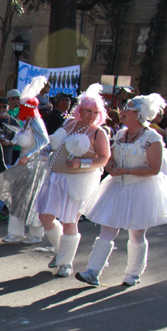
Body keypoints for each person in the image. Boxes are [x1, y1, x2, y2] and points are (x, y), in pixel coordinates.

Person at [77, 94, 167, 287]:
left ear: (138, 114)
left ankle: (133, 274)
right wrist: (111, 164)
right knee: (107, 228)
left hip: (140, 189)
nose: (123, 112)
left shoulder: (152, 138)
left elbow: (154, 168)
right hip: (118, 187)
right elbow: (112, 157)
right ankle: (92, 271)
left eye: (127, 109)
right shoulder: (121, 134)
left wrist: (127, 171)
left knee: (136, 233)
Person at [34, 85, 110, 277]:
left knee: (70, 221)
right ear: (80, 110)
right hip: (55, 178)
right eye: (88, 111)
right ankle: (61, 251)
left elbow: (104, 158)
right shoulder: (68, 123)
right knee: (45, 217)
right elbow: (56, 144)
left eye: (95, 112)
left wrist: (80, 163)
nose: (91, 115)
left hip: (77, 182)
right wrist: (46, 150)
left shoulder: (98, 132)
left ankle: (66, 263)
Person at [0, 76, 51, 244]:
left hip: (34, 166)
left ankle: (36, 233)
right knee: (16, 198)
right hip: (22, 164)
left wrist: (28, 156)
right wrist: (11, 142)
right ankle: (15, 232)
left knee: (33, 200)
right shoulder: (26, 123)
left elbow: (44, 141)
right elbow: (20, 139)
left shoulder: (36, 121)